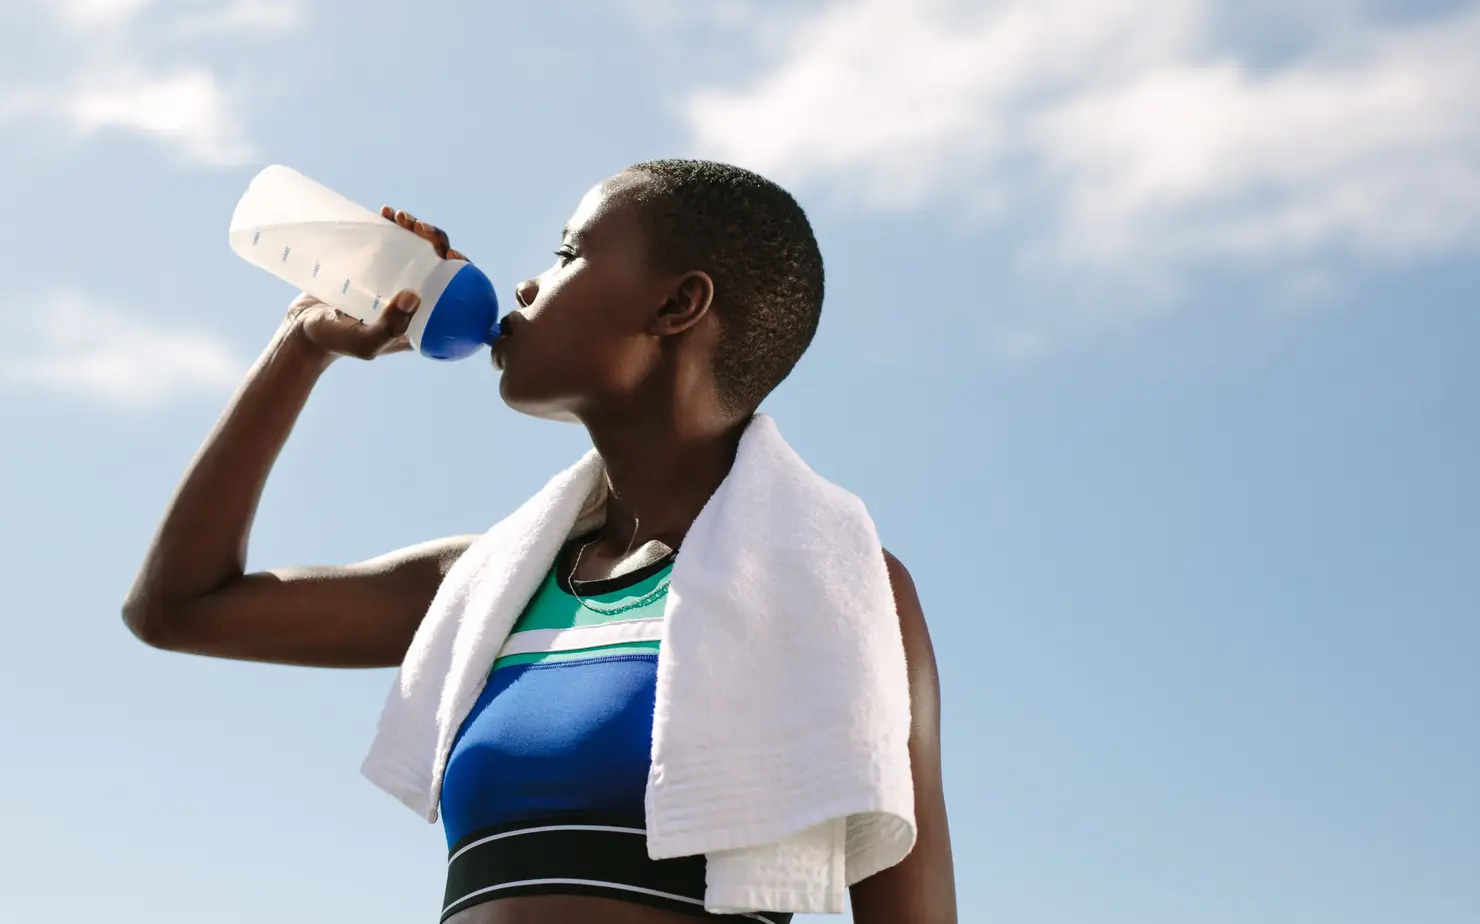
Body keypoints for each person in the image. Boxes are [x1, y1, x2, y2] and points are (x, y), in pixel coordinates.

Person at [123, 160, 957, 923]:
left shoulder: (838, 590)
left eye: (567, 254)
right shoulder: (490, 585)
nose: (526, 284)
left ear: (676, 305)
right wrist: (302, 342)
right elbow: (178, 606)